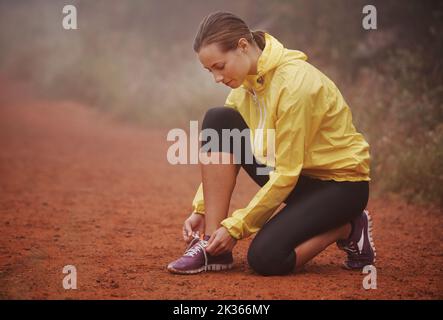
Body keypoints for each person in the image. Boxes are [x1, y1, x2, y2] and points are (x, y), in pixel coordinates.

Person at [167, 11, 376, 276]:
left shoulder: (295, 85)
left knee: (266, 259)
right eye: (210, 71)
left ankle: (347, 227)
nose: (217, 78)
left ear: (243, 45)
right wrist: (203, 209)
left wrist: (236, 227)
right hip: (297, 178)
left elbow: (286, 173)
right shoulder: (245, 87)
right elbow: (225, 147)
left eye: (219, 66)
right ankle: (212, 247)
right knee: (219, 119)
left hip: (341, 187)